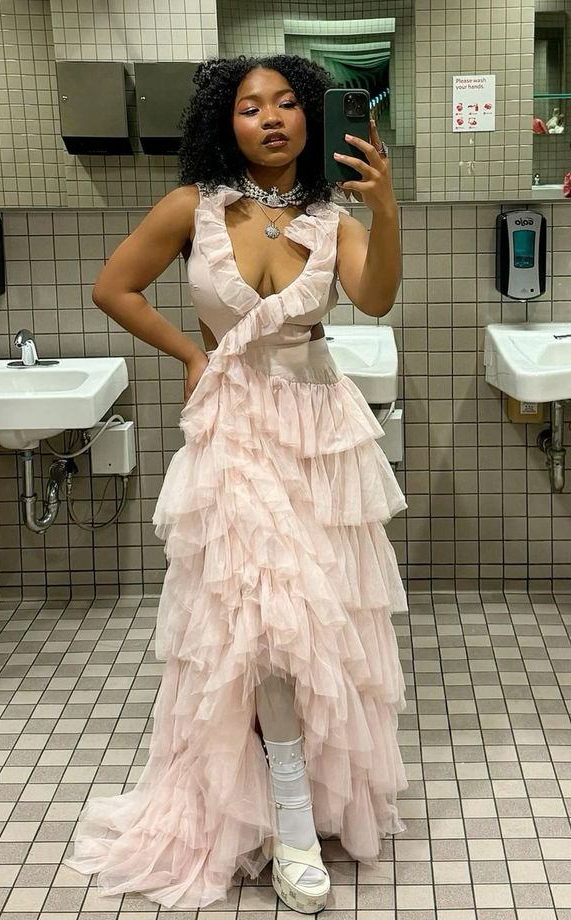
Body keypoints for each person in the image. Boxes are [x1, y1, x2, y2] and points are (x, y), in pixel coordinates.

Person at [64, 53, 408, 914]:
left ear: (311, 117)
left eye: (288, 102)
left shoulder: (333, 217)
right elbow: (114, 287)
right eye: (251, 106)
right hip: (234, 429)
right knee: (260, 626)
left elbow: (375, 300)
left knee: (314, 625)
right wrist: (191, 353)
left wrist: (385, 209)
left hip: (318, 433)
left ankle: (305, 798)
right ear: (225, 121)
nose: (272, 118)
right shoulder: (194, 207)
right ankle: (292, 825)